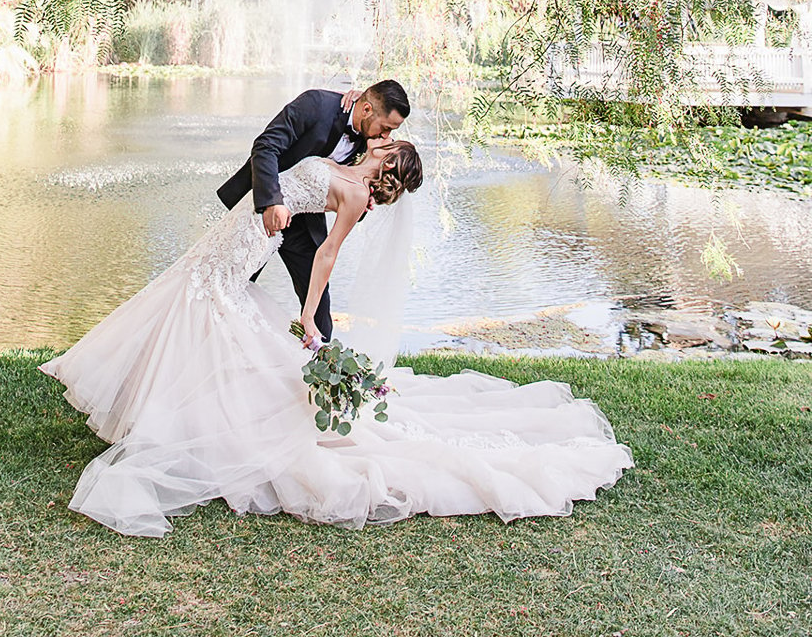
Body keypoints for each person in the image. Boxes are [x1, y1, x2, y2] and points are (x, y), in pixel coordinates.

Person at [40, 135, 632, 538]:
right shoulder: (346, 166)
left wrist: (309, 315)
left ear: (389, 161)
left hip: (249, 241)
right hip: (242, 229)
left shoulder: (353, 196)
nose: (380, 141)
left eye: (389, 143)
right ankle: (156, 409)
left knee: (208, 308)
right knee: (198, 299)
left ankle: (169, 419)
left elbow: (325, 255)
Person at [216, 79, 412, 341]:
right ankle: (214, 352)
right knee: (228, 288)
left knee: (319, 309)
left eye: (391, 132)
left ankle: (322, 369)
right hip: (262, 211)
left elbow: (354, 187)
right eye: (386, 128)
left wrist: (366, 196)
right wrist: (272, 202)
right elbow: (266, 146)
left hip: (304, 225)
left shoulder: (373, 141)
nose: (386, 136)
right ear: (366, 110)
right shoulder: (316, 105)